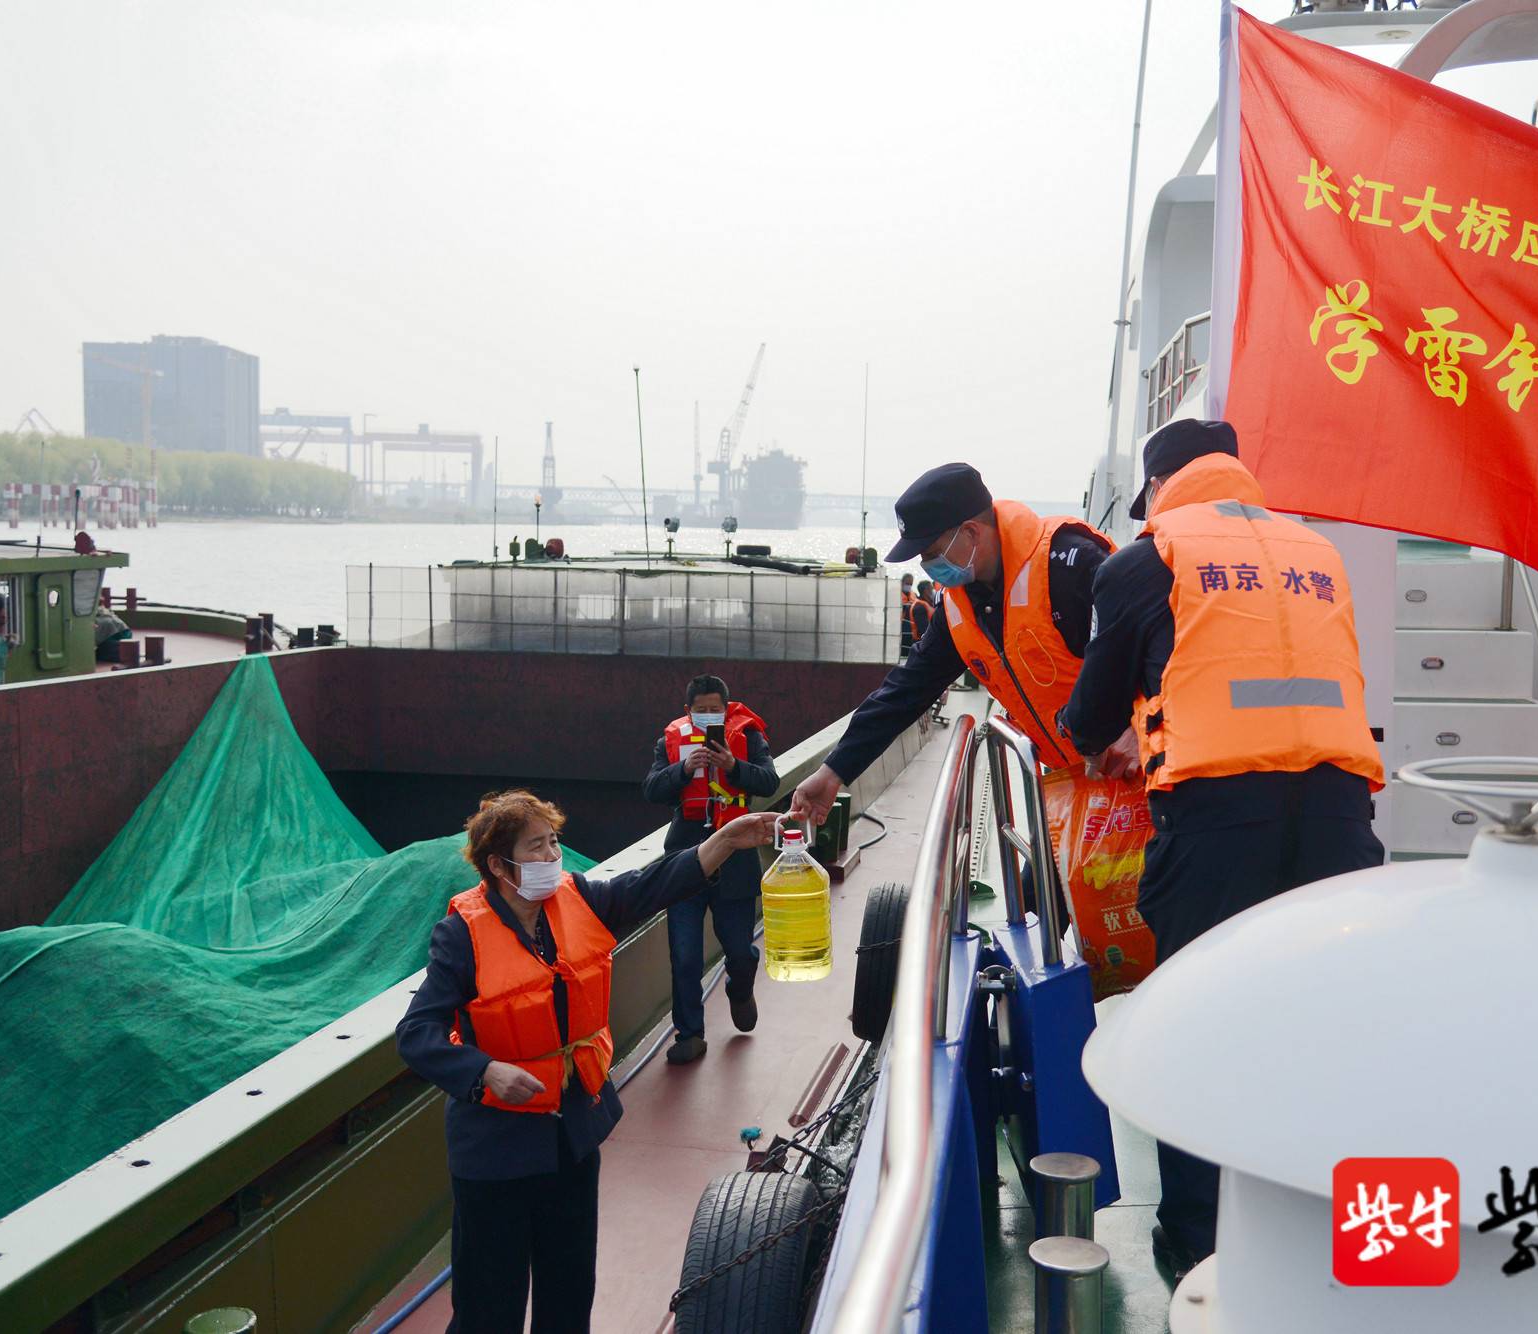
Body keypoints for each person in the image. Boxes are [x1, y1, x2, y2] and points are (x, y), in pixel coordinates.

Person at [1059, 418, 1386, 1284]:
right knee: (1325, 1027)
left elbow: (1091, 718)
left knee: (1199, 1023)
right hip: (1340, 824)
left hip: (1217, 829)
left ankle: (1201, 1250)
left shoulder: (1145, 562)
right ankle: (1339, 1236)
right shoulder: (1317, 551)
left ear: (1161, 490)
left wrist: (1116, 730)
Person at [396, 789, 779, 1333]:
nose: (553, 857)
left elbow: (650, 886)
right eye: (536, 847)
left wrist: (721, 843)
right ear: (498, 866)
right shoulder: (461, 935)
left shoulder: (578, 900)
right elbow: (416, 1034)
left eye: (554, 842)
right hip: (495, 1152)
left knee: (569, 1291)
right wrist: (483, 1073)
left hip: (571, 1137)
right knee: (488, 1306)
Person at [789, 462, 1132, 827]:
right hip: (1076, 785)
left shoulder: (1070, 564)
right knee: (1044, 886)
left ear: (970, 532)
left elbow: (1154, 646)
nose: (927, 567)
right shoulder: (957, 605)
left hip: (1134, 768)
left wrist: (1135, 733)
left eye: (932, 553)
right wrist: (833, 772)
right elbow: (908, 689)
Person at [642, 673, 779, 1064]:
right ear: (688, 712)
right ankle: (690, 1034)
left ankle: (740, 988)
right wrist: (683, 770)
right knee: (684, 955)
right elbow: (651, 789)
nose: (707, 716)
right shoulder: (670, 740)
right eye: (699, 711)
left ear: (726, 708)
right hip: (685, 859)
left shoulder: (749, 737)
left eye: (714, 710)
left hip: (735, 861)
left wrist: (734, 766)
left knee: (739, 948)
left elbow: (769, 781)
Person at [897, 571, 917, 657]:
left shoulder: (914, 595)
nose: (909, 586)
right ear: (902, 582)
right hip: (898, 625)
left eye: (911, 584)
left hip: (911, 626)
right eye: (907, 583)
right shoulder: (894, 593)